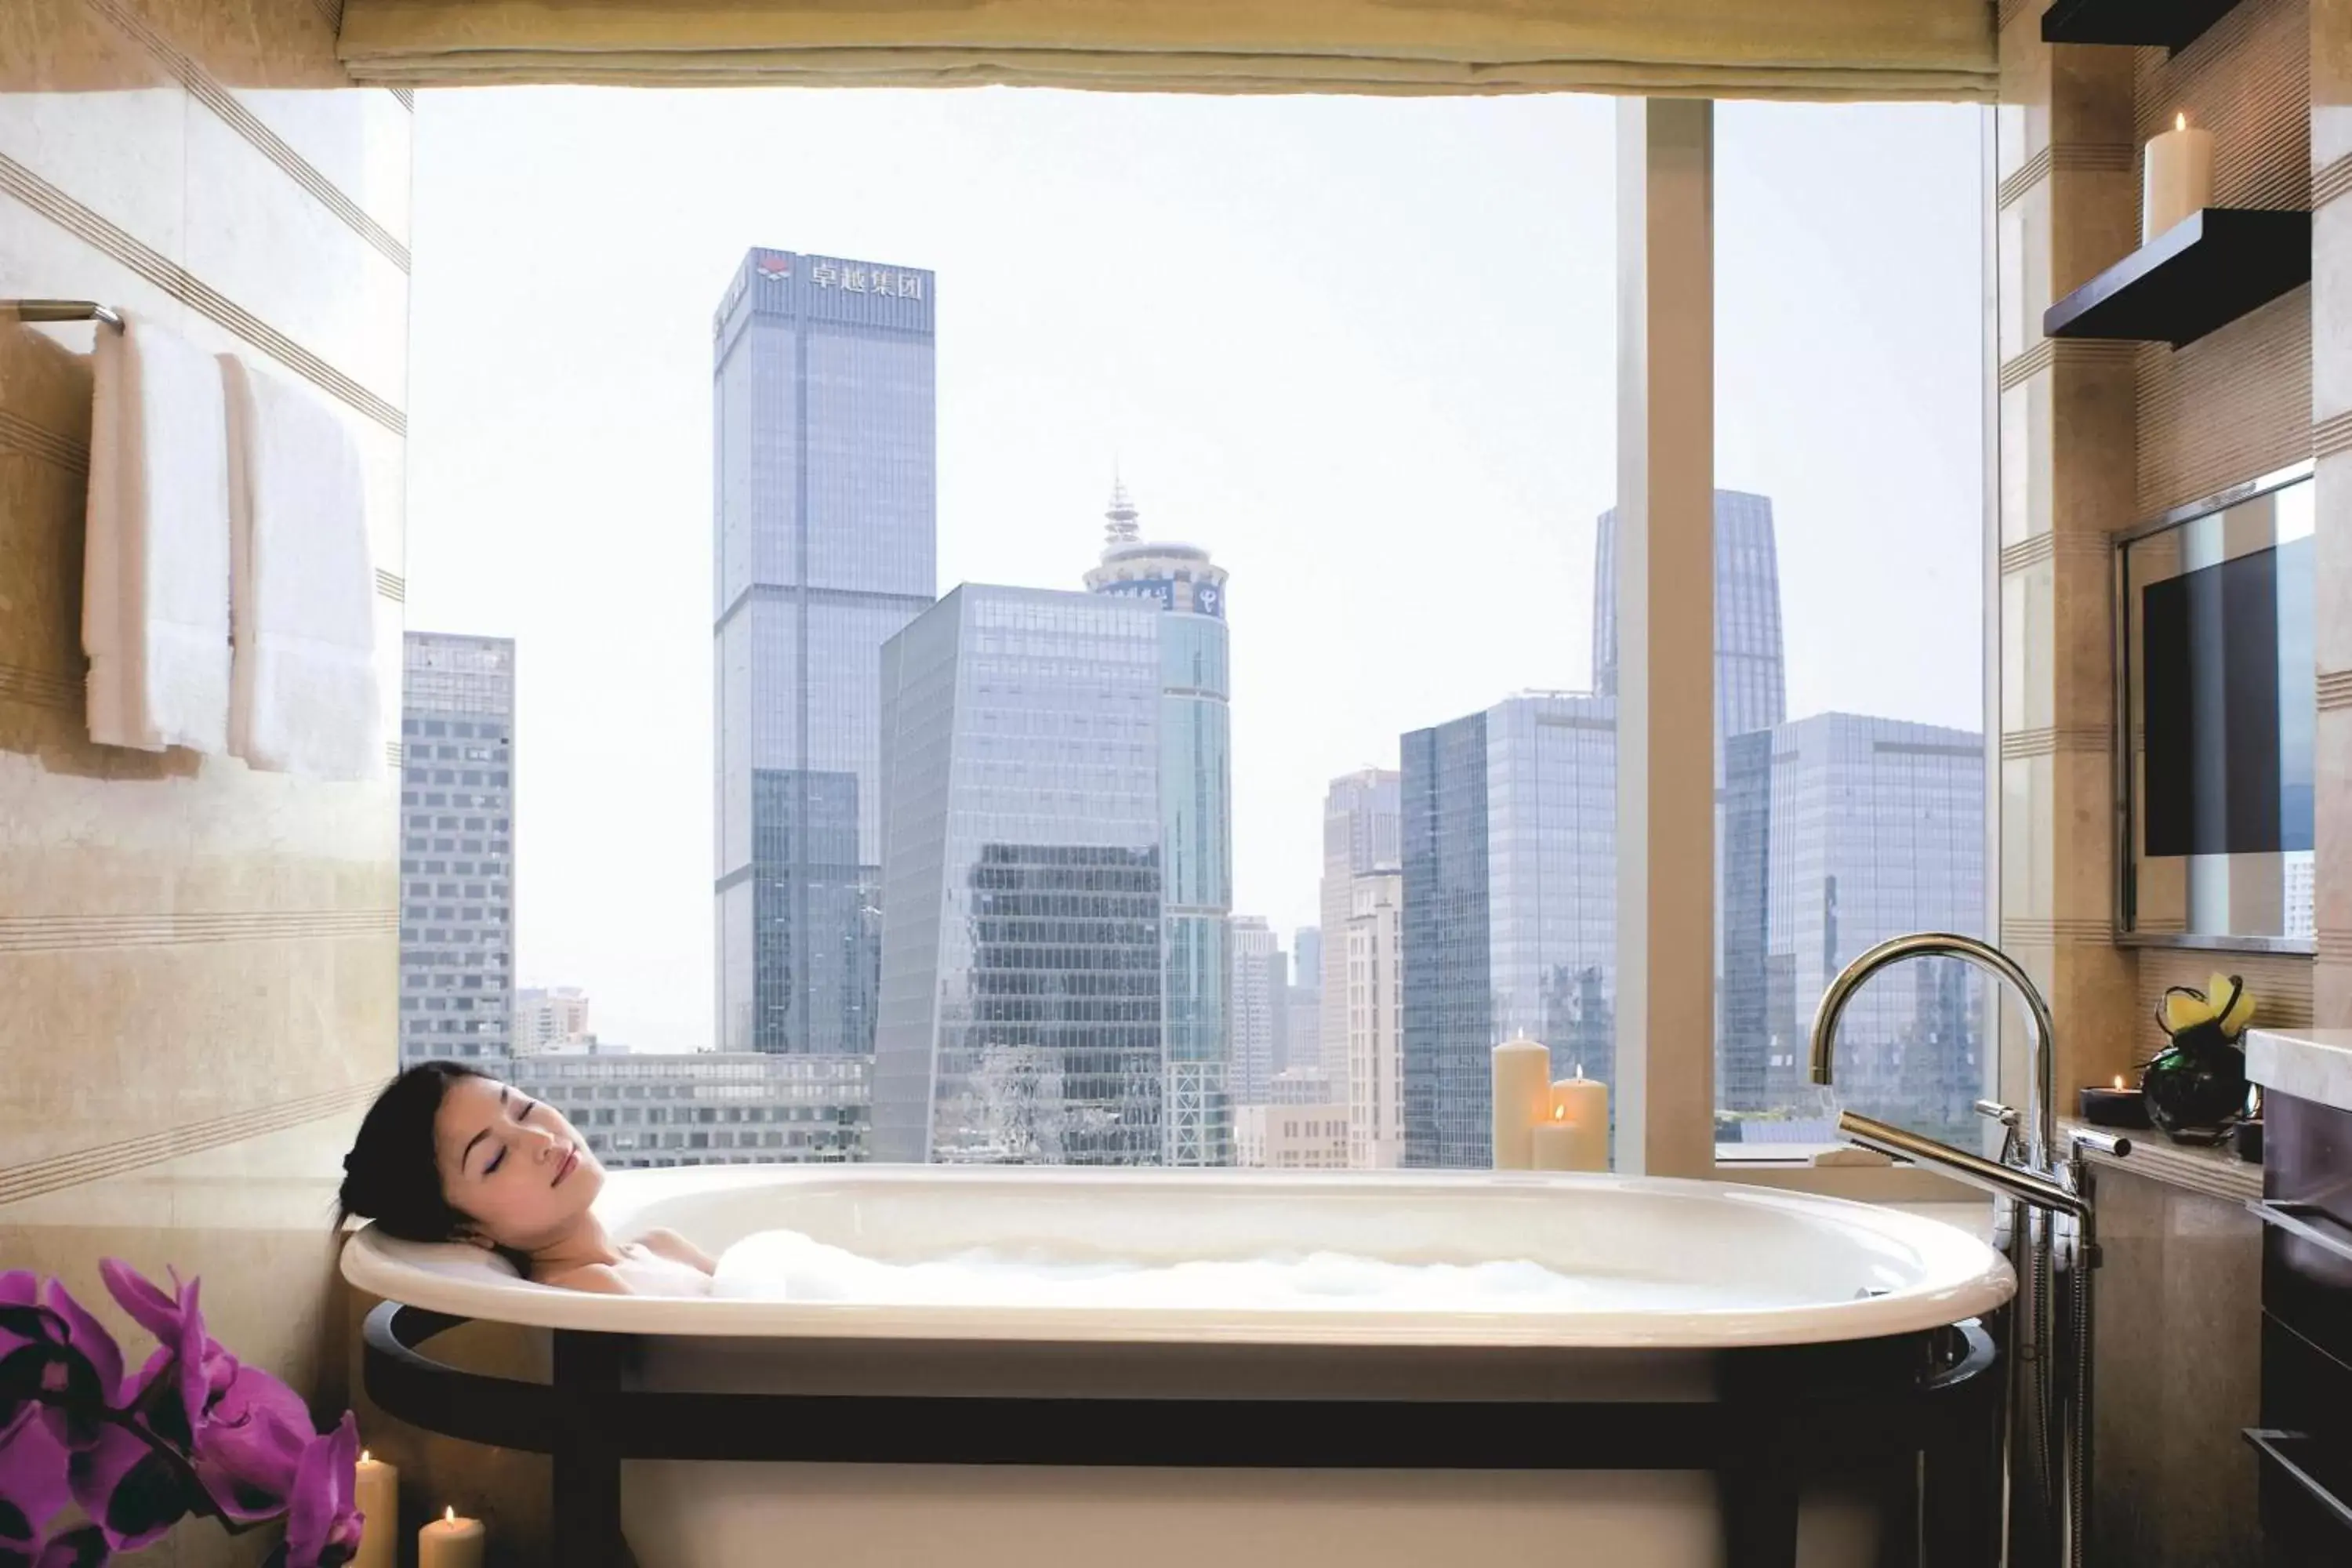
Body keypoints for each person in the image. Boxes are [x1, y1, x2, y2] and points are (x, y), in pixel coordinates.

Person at [338, 1060, 714, 1295]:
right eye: (495, 1158)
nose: (541, 1139)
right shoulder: (588, 1287)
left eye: (524, 1109)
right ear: (468, 1232)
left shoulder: (662, 1246)